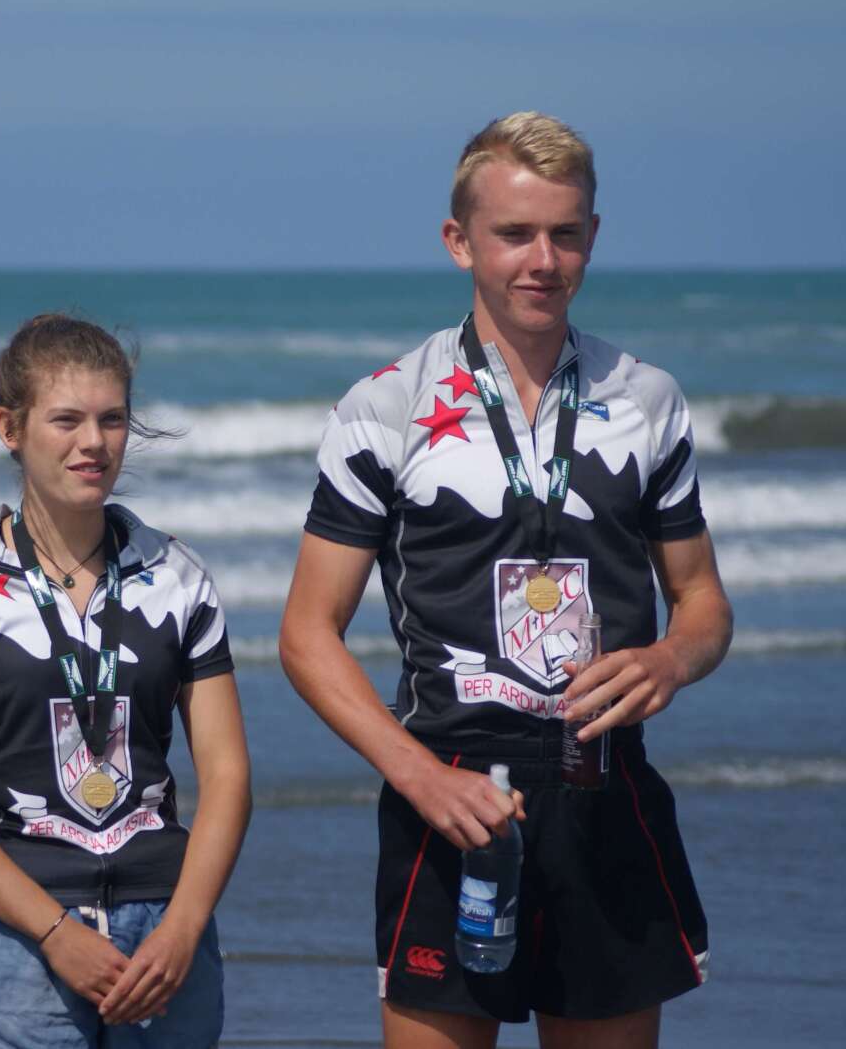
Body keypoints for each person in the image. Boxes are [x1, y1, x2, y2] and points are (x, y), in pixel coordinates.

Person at [278, 112, 732, 1049]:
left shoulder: (646, 398)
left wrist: (673, 661)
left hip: (607, 792)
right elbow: (307, 633)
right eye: (515, 234)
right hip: (451, 798)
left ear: (593, 239)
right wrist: (414, 777)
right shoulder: (387, 407)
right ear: (460, 243)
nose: (543, 259)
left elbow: (703, 603)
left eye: (565, 234)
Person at [0, 314, 253, 1049]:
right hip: (23, 931)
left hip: (164, 939)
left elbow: (228, 773)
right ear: (9, 427)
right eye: (67, 419)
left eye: (112, 419)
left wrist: (183, 930)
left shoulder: (177, 575)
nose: (94, 442)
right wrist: (55, 933)